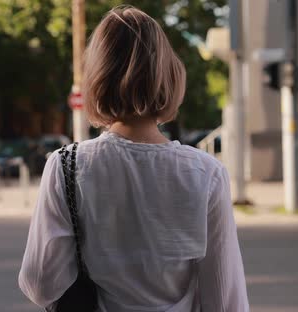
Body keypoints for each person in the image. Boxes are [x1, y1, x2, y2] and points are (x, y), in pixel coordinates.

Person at [18, 5, 249, 312]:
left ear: (96, 78)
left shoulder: (66, 166)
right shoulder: (206, 173)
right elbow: (224, 299)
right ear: (169, 75)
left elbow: (41, 283)